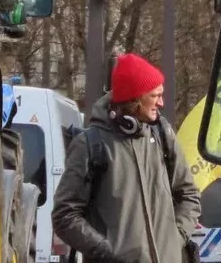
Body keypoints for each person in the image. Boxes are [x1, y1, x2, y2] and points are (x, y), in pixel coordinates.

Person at [54, 53, 201, 263]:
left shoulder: (163, 134)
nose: (161, 102)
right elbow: (64, 216)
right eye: (155, 95)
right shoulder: (89, 144)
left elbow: (189, 195)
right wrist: (107, 252)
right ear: (135, 100)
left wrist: (174, 239)